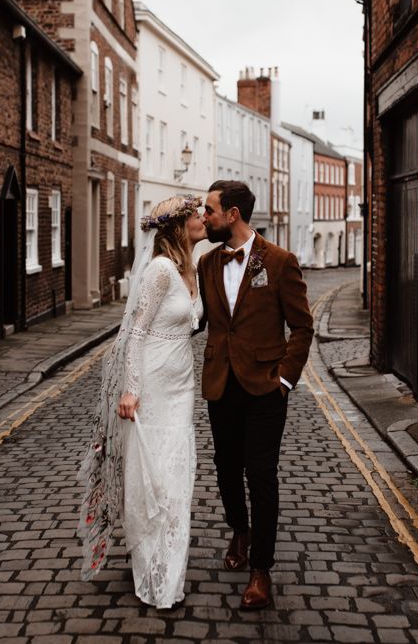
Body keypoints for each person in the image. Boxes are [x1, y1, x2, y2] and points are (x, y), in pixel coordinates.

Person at [77, 195, 206, 609]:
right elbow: (135, 332)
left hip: (182, 383)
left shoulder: (192, 269)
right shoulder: (160, 270)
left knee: (176, 472)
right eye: (194, 215)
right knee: (152, 474)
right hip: (151, 381)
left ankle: (170, 561)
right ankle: (153, 566)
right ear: (178, 227)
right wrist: (131, 388)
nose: (202, 219)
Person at [197, 180, 313, 610]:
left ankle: (261, 569)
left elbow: (302, 327)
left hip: (265, 387)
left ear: (232, 215)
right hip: (220, 384)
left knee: (261, 476)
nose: (203, 217)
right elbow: (199, 319)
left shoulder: (280, 262)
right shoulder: (206, 264)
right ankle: (239, 531)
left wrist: (284, 380)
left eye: (209, 210)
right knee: (226, 469)